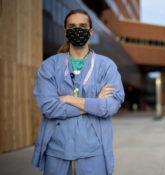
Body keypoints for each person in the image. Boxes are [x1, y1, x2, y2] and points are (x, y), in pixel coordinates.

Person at [32, 9, 124, 175]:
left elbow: (111, 106)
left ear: (91, 31)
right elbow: (47, 106)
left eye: (82, 26)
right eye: (72, 26)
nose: (77, 30)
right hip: (57, 150)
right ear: (66, 31)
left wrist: (68, 99)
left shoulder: (106, 66)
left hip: (93, 152)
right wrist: (92, 103)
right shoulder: (50, 66)